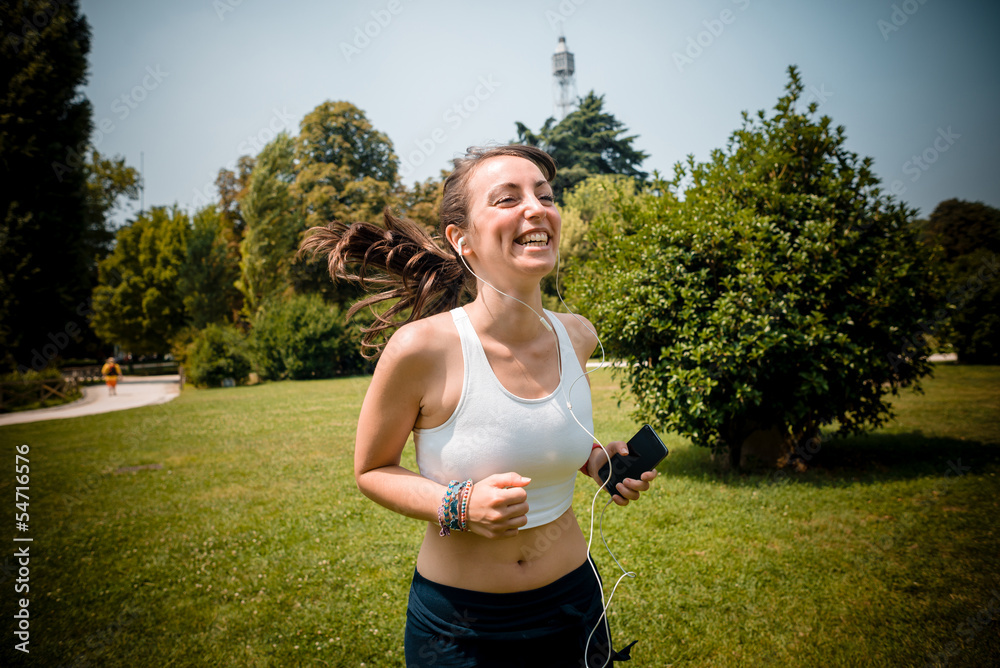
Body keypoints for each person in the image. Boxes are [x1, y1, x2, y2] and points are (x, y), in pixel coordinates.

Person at [300, 145, 658, 667]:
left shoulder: (577, 335)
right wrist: (458, 506)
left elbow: (556, 433)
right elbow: (371, 470)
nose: (535, 208)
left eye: (545, 196)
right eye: (507, 199)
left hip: (574, 608)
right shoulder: (420, 349)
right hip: (458, 629)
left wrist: (600, 461)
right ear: (461, 239)